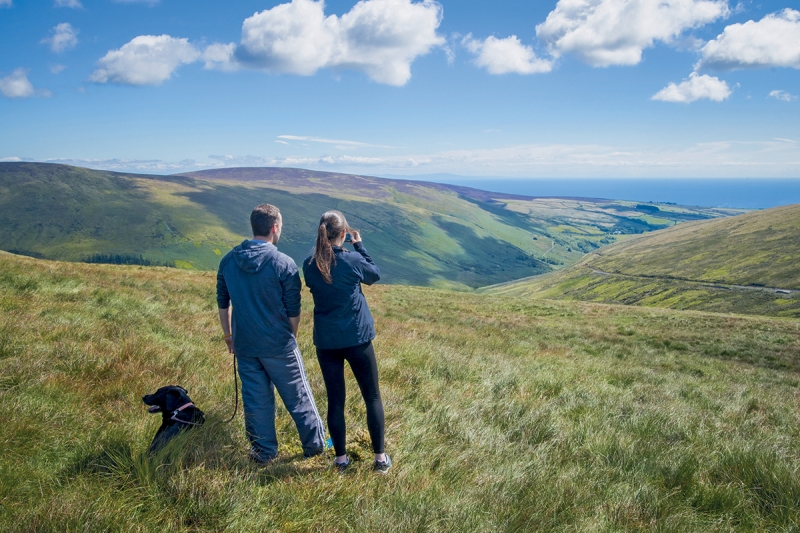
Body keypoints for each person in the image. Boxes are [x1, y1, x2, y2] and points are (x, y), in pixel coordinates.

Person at [216, 204, 326, 464]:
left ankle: (263, 452)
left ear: (254, 226)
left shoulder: (229, 260)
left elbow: (223, 302)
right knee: (298, 396)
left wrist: (229, 336)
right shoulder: (283, 263)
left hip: (245, 344)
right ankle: (315, 446)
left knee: (255, 401)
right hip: (278, 344)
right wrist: (292, 337)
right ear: (274, 227)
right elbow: (293, 310)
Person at [302, 210, 391, 473]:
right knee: (372, 396)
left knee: (335, 400)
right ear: (344, 234)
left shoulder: (309, 264)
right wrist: (360, 245)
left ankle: (340, 461)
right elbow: (374, 275)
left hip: (327, 341)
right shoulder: (352, 260)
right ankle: (380, 459)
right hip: (357, 337)